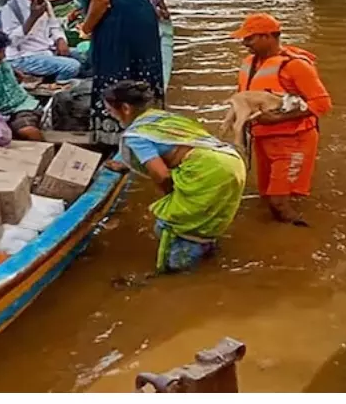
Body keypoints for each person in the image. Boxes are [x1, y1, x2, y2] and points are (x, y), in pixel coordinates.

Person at [104, 80, 245, 274]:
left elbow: (161, 175)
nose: (110, 115)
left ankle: (178, 274)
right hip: (230, 161)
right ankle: (209, 257)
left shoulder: (136, 136)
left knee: (169, 225)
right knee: (205, 218)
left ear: (125, 108)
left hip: (207, 170)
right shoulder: (159, 118)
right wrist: (127, 165)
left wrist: (170, 197)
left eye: (110, 111)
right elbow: (175, 148)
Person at [51, 0, 164, 140]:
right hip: (143, 15)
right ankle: (150, 128)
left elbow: (101, 0)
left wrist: (86, 27)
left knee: (114, 72)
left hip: (118, 20)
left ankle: (113, 134)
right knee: (143, 71)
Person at [231, 13, 332, 225]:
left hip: (292, 142)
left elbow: (322, 104)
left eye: (250, 38)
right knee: (266, 197)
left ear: (268, 37)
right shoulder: (249, 63)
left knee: (279, 204)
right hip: (263, 139)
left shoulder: (295, 66)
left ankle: (303, 237)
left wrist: (275, 118)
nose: (244, 43)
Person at [0, 0, 81, 81]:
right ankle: (56, 90)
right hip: (23, 56)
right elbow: (11, 41)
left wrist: (60, 40)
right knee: (71, 66)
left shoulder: (44, 2)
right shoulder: (11, 8)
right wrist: (33, 18)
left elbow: (54, 25)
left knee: (86, 57)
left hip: (46, 49)